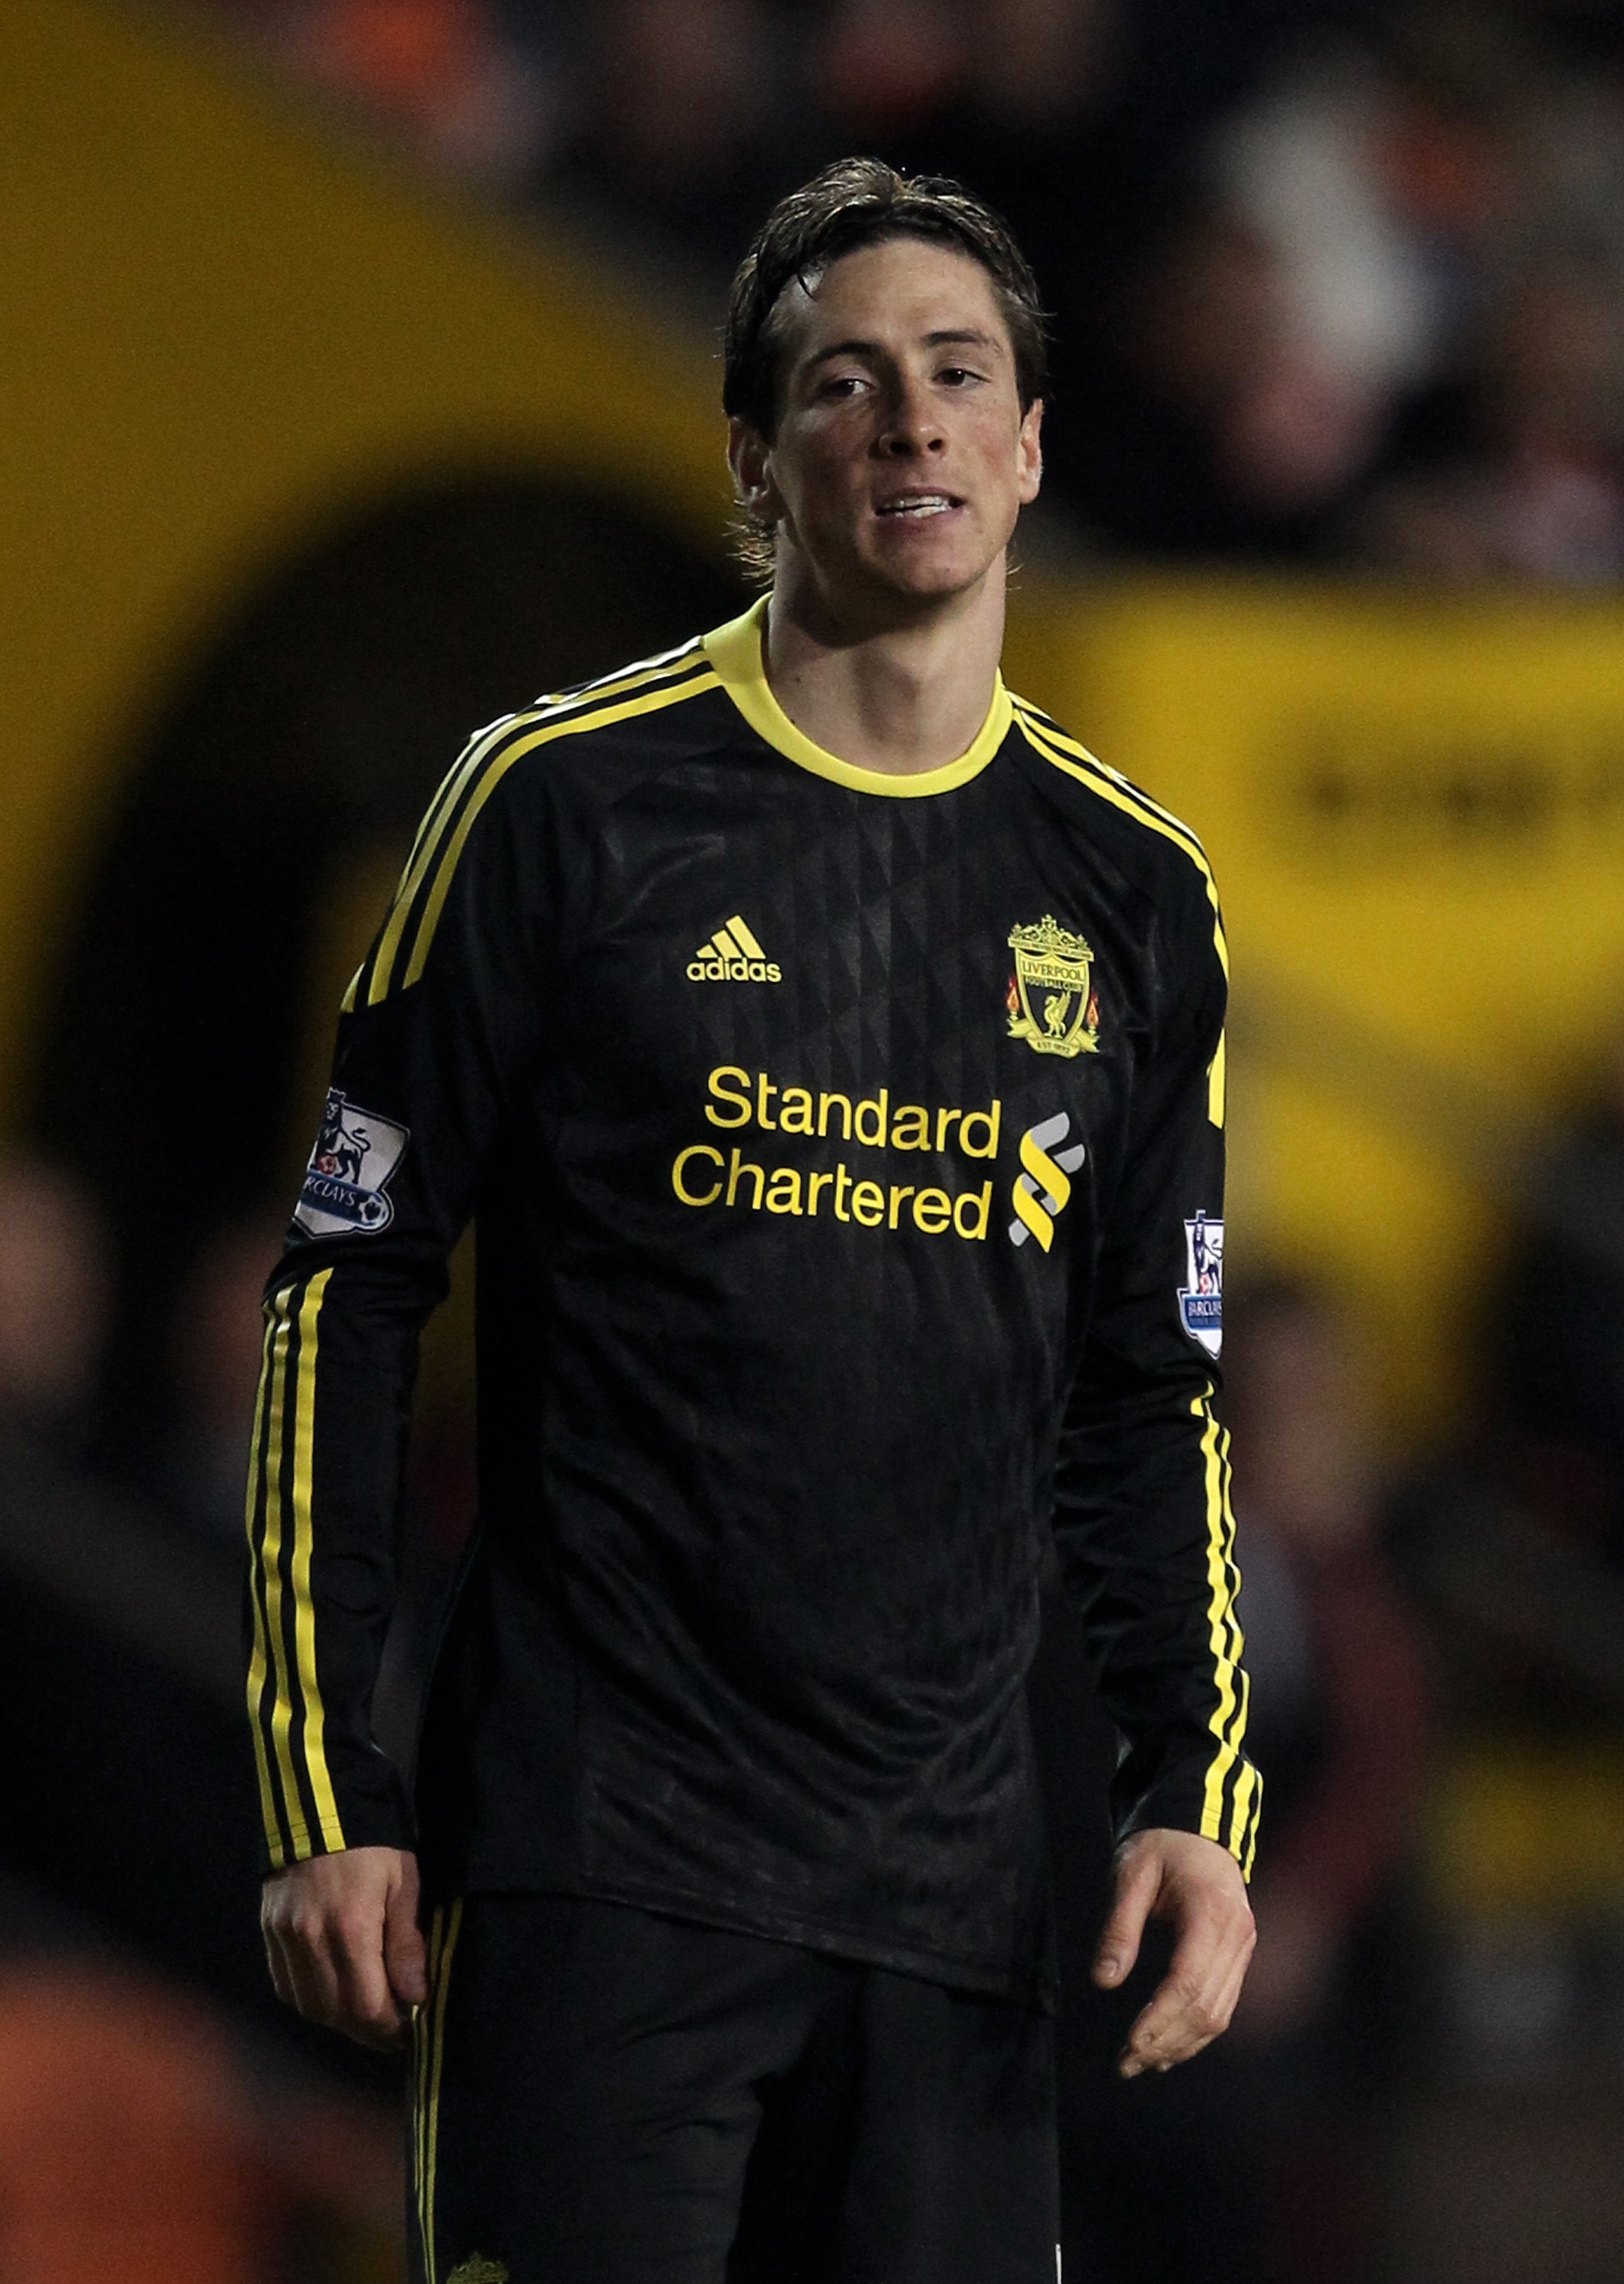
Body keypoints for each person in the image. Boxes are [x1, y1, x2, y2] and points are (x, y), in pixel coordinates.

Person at [247, 158, 1259, 2284]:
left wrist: (1195, 1796)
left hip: (955, 1913)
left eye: (959, 374)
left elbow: (1149, 1399)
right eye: (846, 381)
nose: (910, 421)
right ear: (755, 455)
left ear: (1033, 442)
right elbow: (344, 1297)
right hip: (598, 1877)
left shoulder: (1135, 895)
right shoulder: (554, 805)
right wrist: (330, 1786)